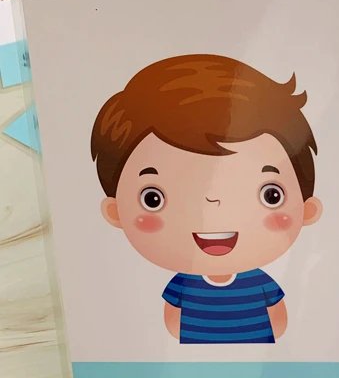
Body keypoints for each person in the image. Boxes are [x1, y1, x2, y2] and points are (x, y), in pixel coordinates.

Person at [91, 55, 323, 344]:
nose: (212, 207)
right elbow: (173, 321)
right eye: (153, 198)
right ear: (115, 211)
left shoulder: (258, 283)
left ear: (307, 209)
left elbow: (277, 319)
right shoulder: (184, 284)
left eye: (271, 195)